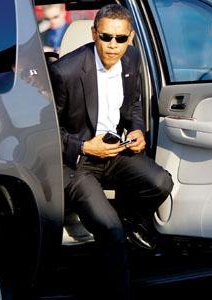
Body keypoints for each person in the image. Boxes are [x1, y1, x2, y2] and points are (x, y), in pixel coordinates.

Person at [50, 4, 173, 299]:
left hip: (116, 151)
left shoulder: (131, 59)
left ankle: (129, 226)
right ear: (94, 34)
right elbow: (48, 131)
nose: (113, 45)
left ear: (130, 38)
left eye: (120, 38)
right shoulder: (64, 72)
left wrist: (138, 131)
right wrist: (82, 146)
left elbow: (133, 107)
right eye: (106, 37)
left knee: (160, 183)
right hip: (78, 163)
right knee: (111, 232)